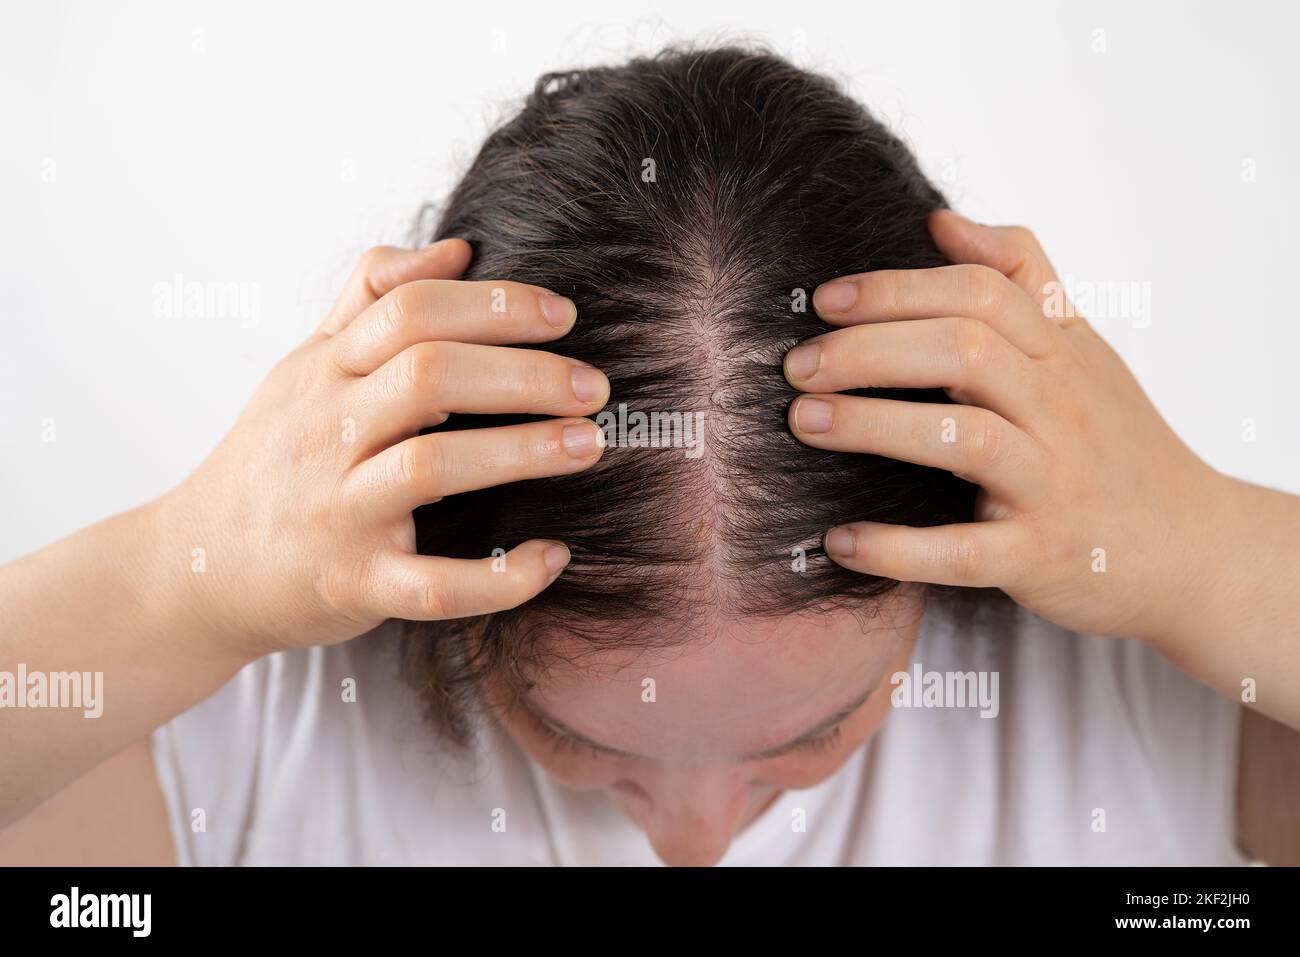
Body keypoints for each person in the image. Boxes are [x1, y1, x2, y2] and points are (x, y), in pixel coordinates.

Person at [1, 46, 1297, 867]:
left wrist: (1203, 543)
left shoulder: (1140, 707)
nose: (695, 843)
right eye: (577, 735)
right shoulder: (253, 733)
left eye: (819, 729)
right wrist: (174, 570)